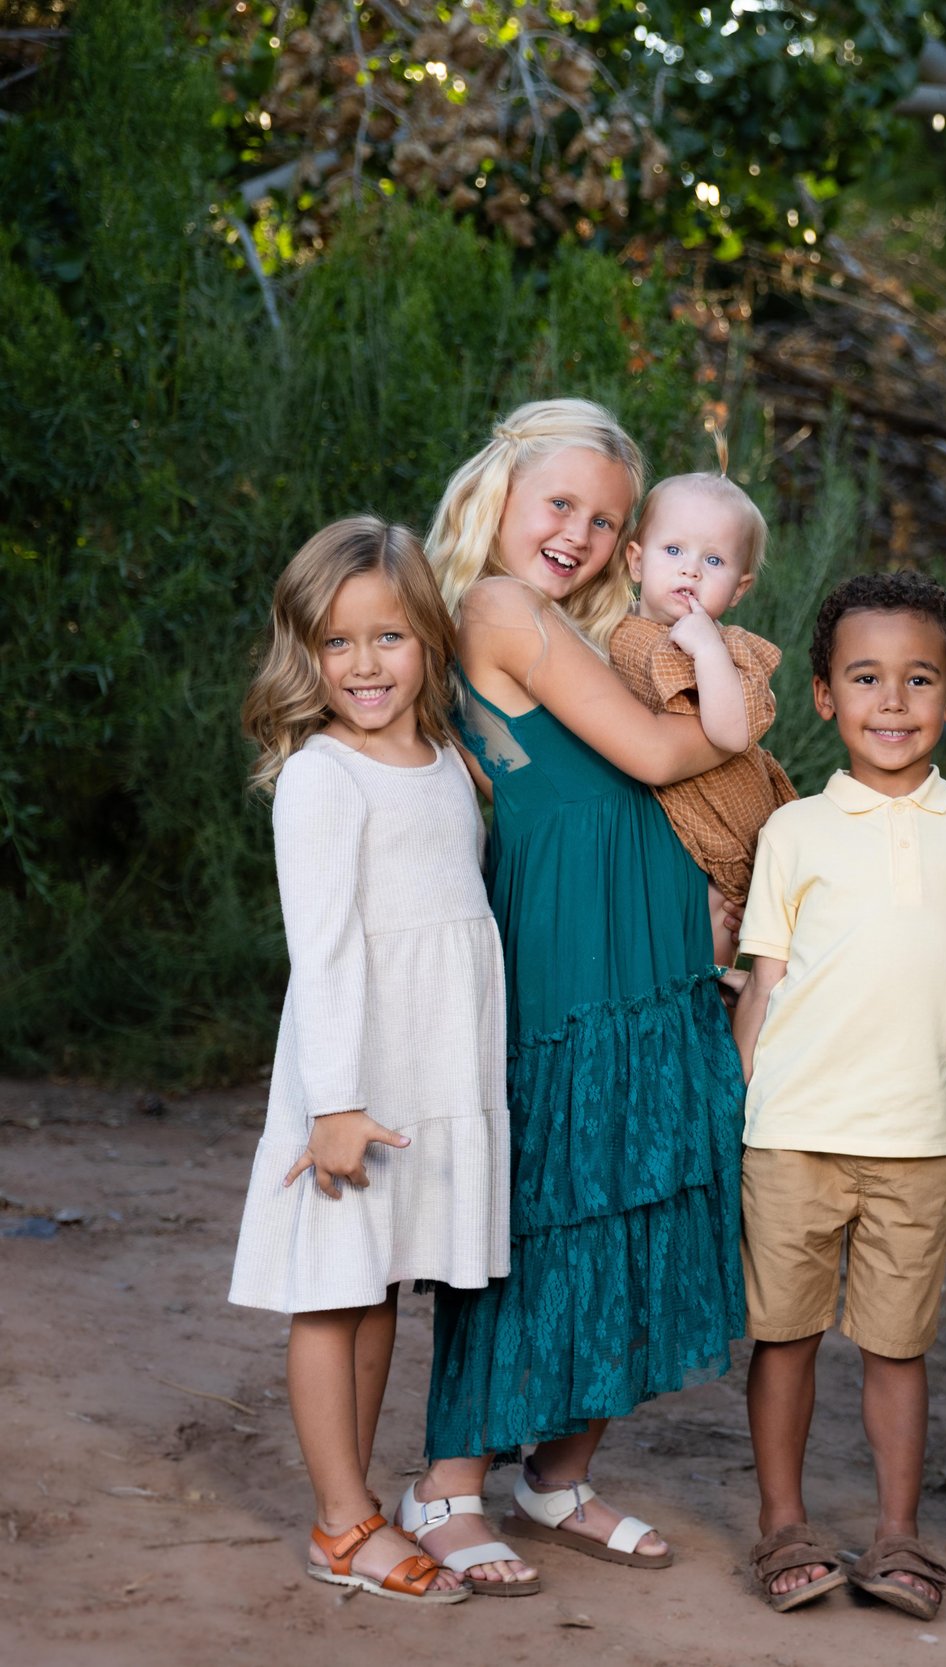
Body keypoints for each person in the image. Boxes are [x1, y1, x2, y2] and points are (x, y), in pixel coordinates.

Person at [403, 398, 750, 1594]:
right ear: (498, 488)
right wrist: (738, 709)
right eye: (561, 503)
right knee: (546, 1193)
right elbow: (659, 756)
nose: (581, 534)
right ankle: (446, 1482)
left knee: (646, 1180)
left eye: (607, 522)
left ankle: (556, 1471)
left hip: (646, 937)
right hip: (569, 939)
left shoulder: (571, 620)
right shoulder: (496, 606)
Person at [731, 572, 946, 1617]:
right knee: (786, 1332)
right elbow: (764, 981)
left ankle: (898, 1536)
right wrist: (736, 1104)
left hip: (917, 1139)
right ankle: (782, 1525)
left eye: (917, 679)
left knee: (898, 1340)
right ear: (822, 695)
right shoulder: (796, 831)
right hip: (793, 1132)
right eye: (865, 677)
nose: (891, 702)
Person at [229, 515, 505, 1606]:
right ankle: (341, 1519)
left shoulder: (447, 760)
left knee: (383, 1282)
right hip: (356, 1075)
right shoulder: (321, 777)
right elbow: (328, 945)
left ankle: (362, 1505)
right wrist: (335, 1102)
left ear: (428, 638)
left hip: (431, 1066)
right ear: (306, 655)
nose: (364, 665)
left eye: (387, 637)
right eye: (337, 644)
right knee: (330, 1293)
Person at [607, 472, 797, 984]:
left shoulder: (728, 650)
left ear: (739, 589)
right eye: (674, 550)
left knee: (703, 966)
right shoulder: (607, 636)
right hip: (658, 835)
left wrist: (707, 647)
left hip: (728, 843)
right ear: (636, 560)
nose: (690, 570)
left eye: (713, 561)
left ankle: (714, 1003)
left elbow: (732, 734)